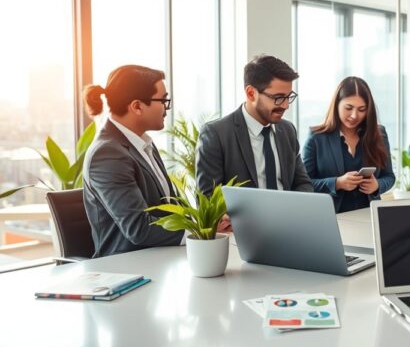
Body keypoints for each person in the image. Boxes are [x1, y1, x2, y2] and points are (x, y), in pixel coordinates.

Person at [82, 65, 228, 257]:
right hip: (127, 267)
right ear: (137, 106)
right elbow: (139, 229)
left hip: (162, 257)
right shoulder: (107, 154)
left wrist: (207, 222)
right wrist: (203, 232)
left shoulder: (142, 144)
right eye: (163, 100)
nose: (167, 108)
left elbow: (168, 210)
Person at [196, 54, 312, 195]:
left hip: (286, 216)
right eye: (279, 98)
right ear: (251, 93)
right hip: (241, 218)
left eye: (289, 97)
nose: (286, 105)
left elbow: (303, 183)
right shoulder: (216, 134)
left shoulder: (287, 130)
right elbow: (208, 198)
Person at [302, 76, 395, 213]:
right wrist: (337, 183)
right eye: (348, 108)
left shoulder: (379, 134)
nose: (354, 115)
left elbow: (389, 176)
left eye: (362, 109)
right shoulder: (317, 137)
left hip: (369, 216)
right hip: (331, 217)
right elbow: (304, 184)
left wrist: (377, 185)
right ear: (337, 105)